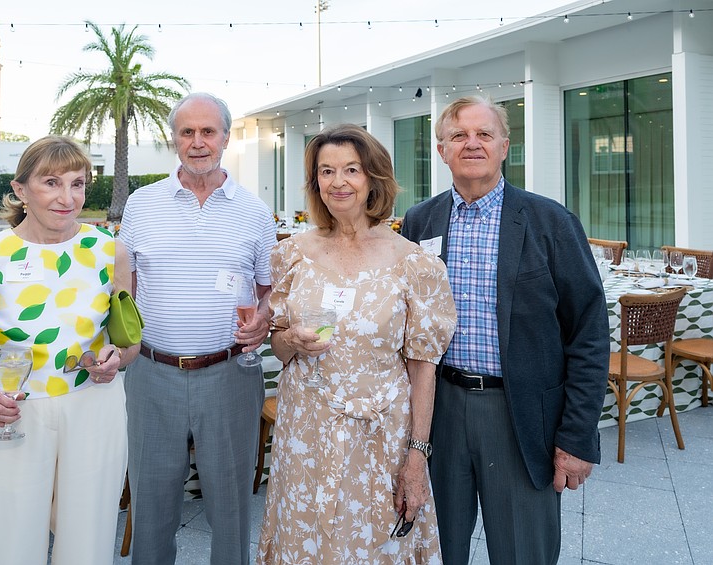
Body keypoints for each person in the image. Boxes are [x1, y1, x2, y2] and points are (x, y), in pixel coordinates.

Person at [400, 96, 610, 564]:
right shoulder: (420, 221)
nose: (471, 143)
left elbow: (590, 333)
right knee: (436, 548)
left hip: (521, 416)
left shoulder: (550, 221)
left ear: (504, 147)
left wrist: (577, 437)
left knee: (523, 552)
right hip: (440, 412)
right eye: (458, 135)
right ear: (441, 151)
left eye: (483, 134)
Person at [257, 124, 457, 564]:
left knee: (373, 546)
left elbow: (424, 367)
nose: (338, 181)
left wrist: (417, 459)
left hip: (379, 438)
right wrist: (289, 338)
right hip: (306, 434)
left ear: (374, 178)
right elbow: (278, 346)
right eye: (326, 171)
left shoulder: (415, 263)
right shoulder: (292, 253)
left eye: (351, 169)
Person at [0, 136, 136, 564]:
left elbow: (129, 342)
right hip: (12, 415)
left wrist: (117, 359)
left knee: (86, 544)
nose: (67, 197)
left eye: (78, 183)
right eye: (51, 183)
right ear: (20, 190)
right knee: (7, 543)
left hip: (94, 408)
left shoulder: (110, 251)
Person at [119, 92, 276, 565]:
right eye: (187, 132)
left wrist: (265, 318)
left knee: (230, 509)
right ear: (174, 139)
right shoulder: (141, 206)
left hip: (230, 374)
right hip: (152, 373)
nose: (198, 141)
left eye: (208, 131)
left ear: (226, 137)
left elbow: (271, 291)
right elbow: (122, 293)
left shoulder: (254, 212)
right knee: (151, 506)